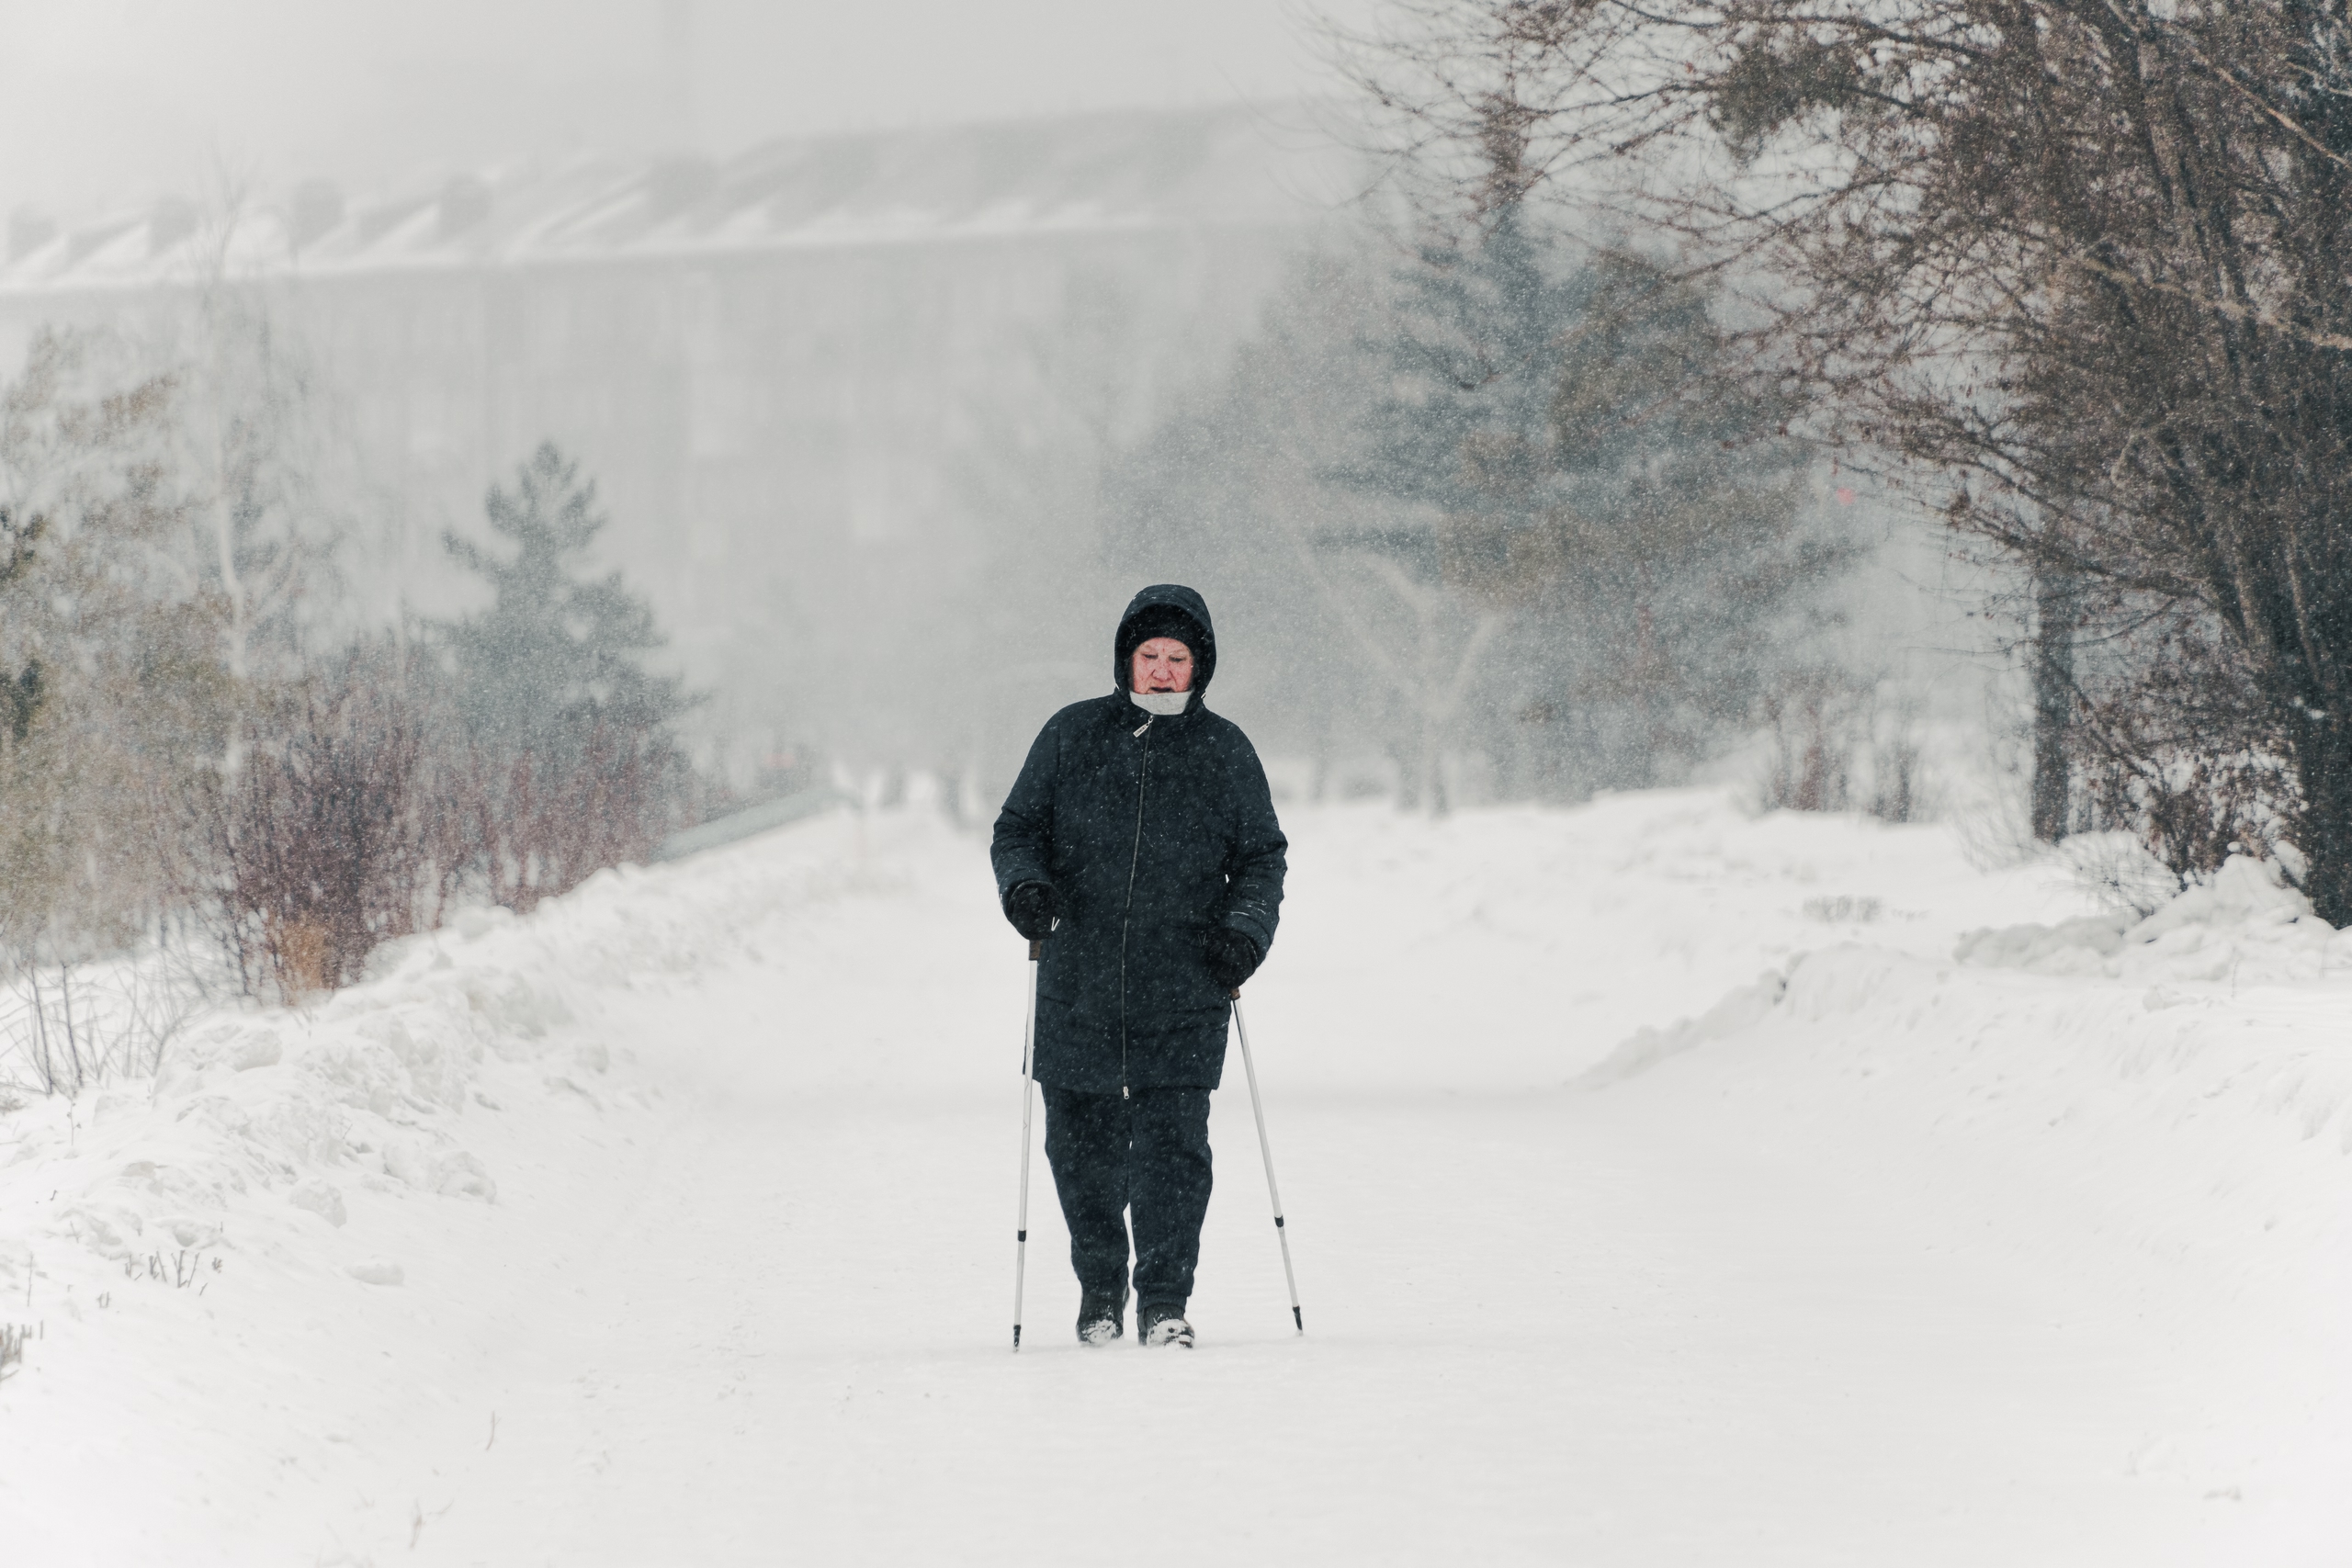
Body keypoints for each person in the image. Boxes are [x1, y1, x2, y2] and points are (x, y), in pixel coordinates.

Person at [990, 584, 1287, 1348]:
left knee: (1173, 1153)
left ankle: (1163, 1299)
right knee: (1079, 1151)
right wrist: (1026, 889)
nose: (1160, 670)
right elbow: (1018, 828)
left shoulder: (1226, 752)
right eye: (1149, 656)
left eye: (1176, 658)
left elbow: (1261, 858)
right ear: (1127, 658)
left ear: (1200, 667)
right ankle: (1099, 1290)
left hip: (1186, 984)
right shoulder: (1071, 734)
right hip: (1078, 983)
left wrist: (1244, 934)